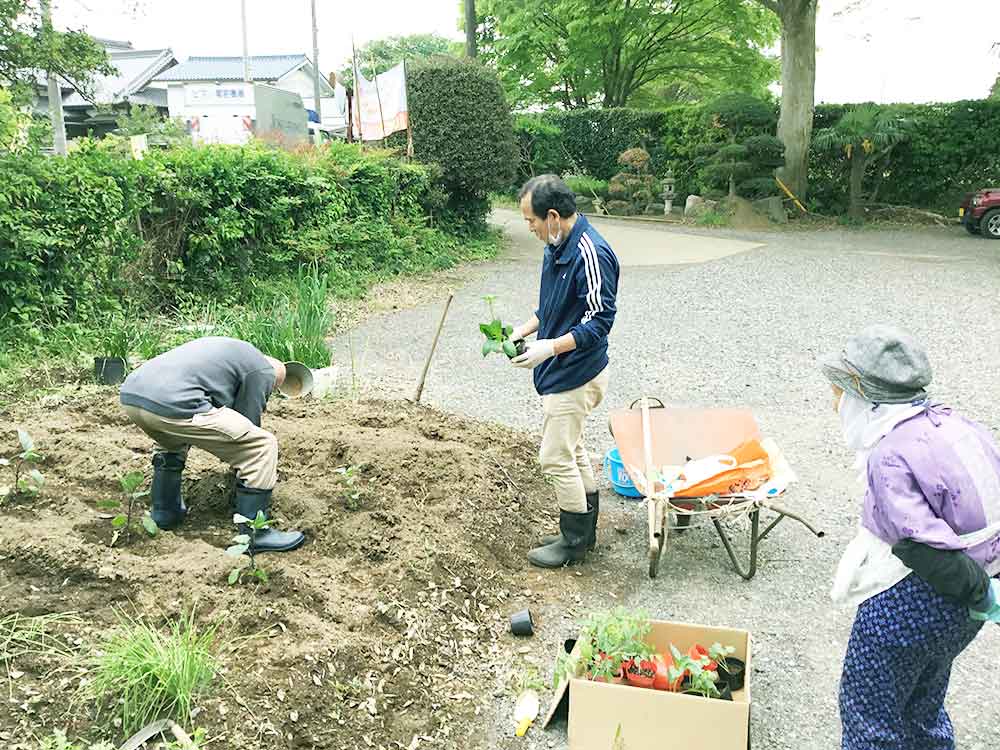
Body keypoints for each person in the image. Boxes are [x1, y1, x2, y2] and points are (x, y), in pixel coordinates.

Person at [822, 324, 1000, 750]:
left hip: (915, 602)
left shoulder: (888, 455)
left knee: (869, 714)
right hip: (965, 609)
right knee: (922, 703)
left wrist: (980, 594)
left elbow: (919, 544)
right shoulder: (955, 425)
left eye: (839, 392)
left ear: (866, 396)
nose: (833, 402)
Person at [509, 174, 620, 569]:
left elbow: (598, 322)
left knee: (554, 456)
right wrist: (524, 330)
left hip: (578, 372)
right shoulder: (557, 248)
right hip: (563, 367)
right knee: (572, 449)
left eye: (532, 222)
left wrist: (550, 348)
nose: (530, 229)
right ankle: (583, 533)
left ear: (552, 217)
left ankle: (572, 543)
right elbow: (555, 306)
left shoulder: (590, 253)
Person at [120, 336, 306, 552]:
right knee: (261, 446)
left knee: (173, 440)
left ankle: (164, 512)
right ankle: (255, 535)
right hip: (173, 402)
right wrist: (245, 466)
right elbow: (248, 422)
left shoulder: (230, 353)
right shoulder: (263, 371)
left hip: (133, 396)